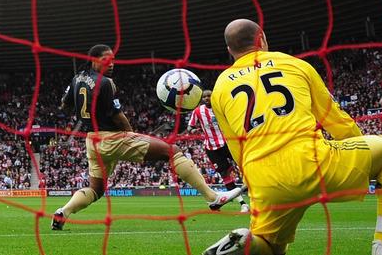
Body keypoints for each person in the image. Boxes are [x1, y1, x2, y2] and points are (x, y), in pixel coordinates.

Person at [198, 19, 382, 255]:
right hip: (314, 161)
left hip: (264, 179)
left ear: (230, 51)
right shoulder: (295, 65)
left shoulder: (220, 88)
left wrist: (255, 184)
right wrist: (362, 158)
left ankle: (247, 241)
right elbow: (336, 121)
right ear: (262, 39)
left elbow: (237, 148)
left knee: (271, 252)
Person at [51, 44, 244, 230]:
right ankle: (212, 198)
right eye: (105, 60)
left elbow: (64, 105)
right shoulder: (105, 82)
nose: (111, 64)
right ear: (94, 60)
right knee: (172, 151)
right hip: (111, 137)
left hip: (91, 141)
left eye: (113, 60)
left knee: (96, 190)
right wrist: (130, 133)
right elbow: (117, 115)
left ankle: (63, 211)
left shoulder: (77, 78)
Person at [187, 89, 249, 213]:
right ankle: (243, 204)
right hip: (211, 148)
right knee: (225, 175)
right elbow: (190, 127)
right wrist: (193, 131)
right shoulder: (198, 111)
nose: (206, 98)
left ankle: (254, 191)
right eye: (204, 97)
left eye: (208, 96)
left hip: (228, 143)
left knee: (245, 165)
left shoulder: (220, 107)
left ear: (212, 96)